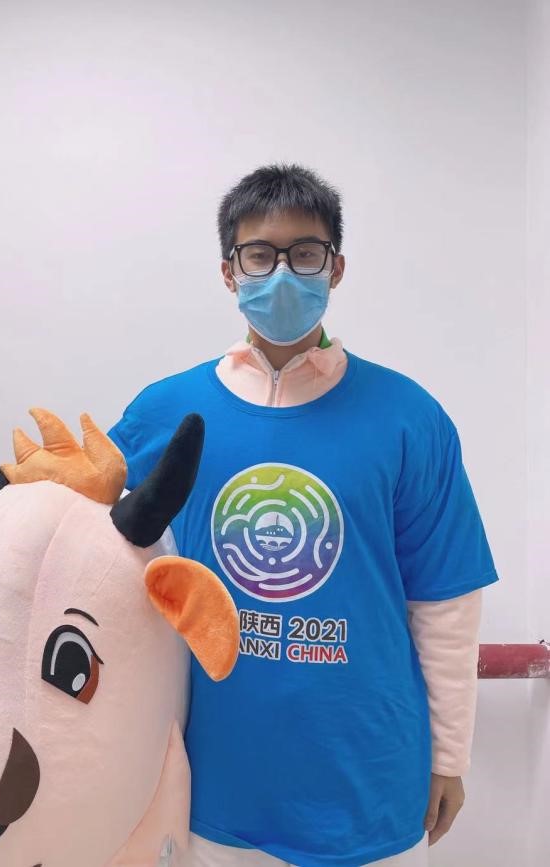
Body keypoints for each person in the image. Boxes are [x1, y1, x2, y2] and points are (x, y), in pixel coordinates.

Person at [107, 163, 499, 867]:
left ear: (336, 267)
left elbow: (445, 603)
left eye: (306, 253)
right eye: (259, 254)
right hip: (214, 785)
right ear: (229, 272)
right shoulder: (167, 412)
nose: (282, 273)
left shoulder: (409, 418)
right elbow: (87, 542)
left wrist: (449, 757)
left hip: (369, 784)